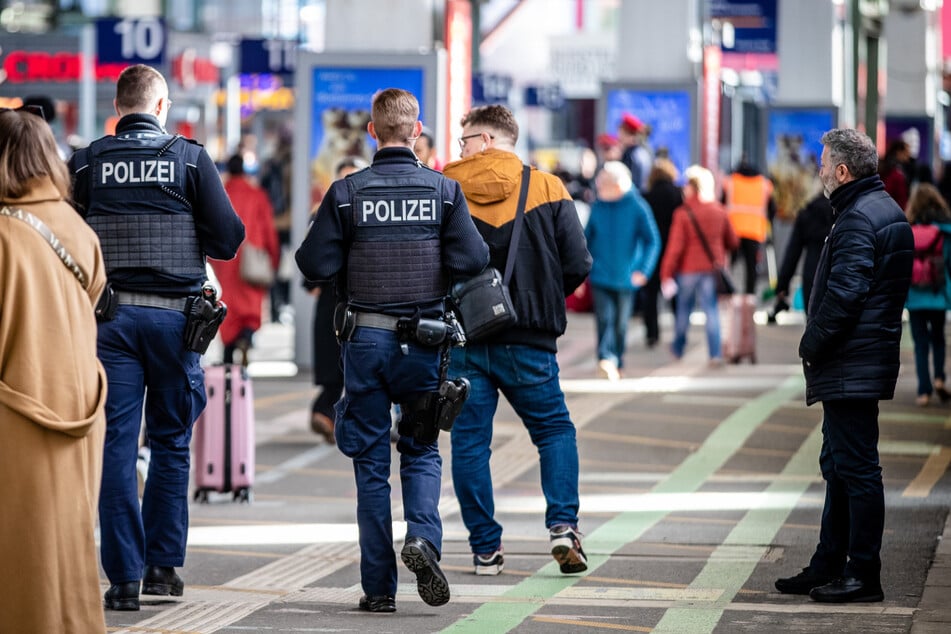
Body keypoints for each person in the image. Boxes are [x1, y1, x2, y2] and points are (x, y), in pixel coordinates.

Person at [296, 88, 488, 613]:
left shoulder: (345, 193)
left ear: (373, 132)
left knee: (371, 462)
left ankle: (379, 589)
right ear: (416, 131)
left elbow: (312, 263)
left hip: (365, 340)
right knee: (422, 448)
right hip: (424, 342)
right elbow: (473, 259)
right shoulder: (444, 192)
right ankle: (423, 538)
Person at [68, 64, 245, 611]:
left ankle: (121, 579)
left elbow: (68, 233)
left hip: (109, 324)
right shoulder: (190, 159)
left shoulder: (88, 161)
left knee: (115, 446)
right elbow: (228, 239)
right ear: (162, 107)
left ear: (118, 109)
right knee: (170, 441)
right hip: (176, 323)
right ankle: (163, 569)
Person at [442, 104, 592, 577]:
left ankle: (486, 550)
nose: (459, 150)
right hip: (530, 338)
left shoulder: (446, 189)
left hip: (466, 337)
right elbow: (579, 263)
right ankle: (563, 527)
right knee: (553, 430)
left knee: (469, 444)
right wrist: (542, 299)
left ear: (486, 140)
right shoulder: (547, 187)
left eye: (464, 140)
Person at [774, 128, 913, 603]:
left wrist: (811, 341)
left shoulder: (857, 217)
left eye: (822, 162)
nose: (817, 170)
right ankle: (828, 562)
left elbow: (847, 293)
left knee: (856, 468)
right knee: (838, 464)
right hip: (861, 359)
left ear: (841, 170)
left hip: (850, 362)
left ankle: (862, 573)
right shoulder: (880, 209)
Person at [0, 107, 108, 633]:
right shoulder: (77, 227)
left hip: (17, 414)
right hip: (79, 411)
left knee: (20, 562)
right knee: (66, 549)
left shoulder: (4, 234)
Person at [306, 156, 368, 442]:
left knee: (352, 366)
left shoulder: (369, 210)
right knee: (335, 364)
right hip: (335, 299)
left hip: (363, 299)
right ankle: (328, 414)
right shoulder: (322, 213)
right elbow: (311, 259)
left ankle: (328, 415)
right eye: (343, 178)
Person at [584, 160, 661, 380]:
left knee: (620, 323)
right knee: (604, 319)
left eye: (603, 185)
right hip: (600, 274)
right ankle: (605, 359)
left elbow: (652, 240)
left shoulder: (637, 206)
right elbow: (585, 239)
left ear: (617, 186)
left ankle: (617, 359)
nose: (598, 188)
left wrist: (644, 270)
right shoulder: (598, 206)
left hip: (627, 276)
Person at [659, 165, 739, 364]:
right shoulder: (719, 211)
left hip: (687, 270)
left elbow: (675, 247)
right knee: (710, 311)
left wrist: (666, 273)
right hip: (712, 269)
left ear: (692, 187)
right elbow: (733, 241)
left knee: (683, 311)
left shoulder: (683, 213)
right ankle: (715, 354)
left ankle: (678, 348)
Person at [210, 154, 281, 366]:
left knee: (226, 305)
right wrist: (273, 259)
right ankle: (247, 337)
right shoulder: (257, 195)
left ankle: (228, 353)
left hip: (224, 260)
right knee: (250, 306)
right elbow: (269, 230)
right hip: (252, 259)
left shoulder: (219, 193)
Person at [903, 182, 951, 406]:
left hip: (914, 296)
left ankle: (924, 391)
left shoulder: (907, 230)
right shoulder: (944, 232)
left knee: (920, 343)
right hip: (937, 294)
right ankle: (940, 377)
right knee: (938, 338)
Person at [769, 191, 834, 322]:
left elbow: (792, 254)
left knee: (812, 323)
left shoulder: (808, 213)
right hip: (836, 275)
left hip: (812, 276)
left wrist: (782, 286)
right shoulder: (842, 214)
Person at [642, 157, 684, 347]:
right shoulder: (678, 194)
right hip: (674, 248)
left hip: (653, 250)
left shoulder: (647, 196)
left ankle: (652, 333)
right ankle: (679, 331)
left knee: (651, 295)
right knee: (674, 292)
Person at [723, 158, 775, 296]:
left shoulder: (730, 182)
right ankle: (749, 296)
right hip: (754, 231)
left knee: (729, 265)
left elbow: (722, 205)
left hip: (733, 230)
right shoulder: (764, 184)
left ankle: (728, 292)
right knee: (751, 267)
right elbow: (772, 209)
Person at [617, 112, 652, 193]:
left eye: (621, 132)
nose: (619, 136)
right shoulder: (642, 151)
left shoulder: (631, 154)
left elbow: (632, 184)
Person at [879, 138, 911, 209]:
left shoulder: (884, 167)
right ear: (899, 152)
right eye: (906, 152)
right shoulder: (896, 172)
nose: (908, 156)